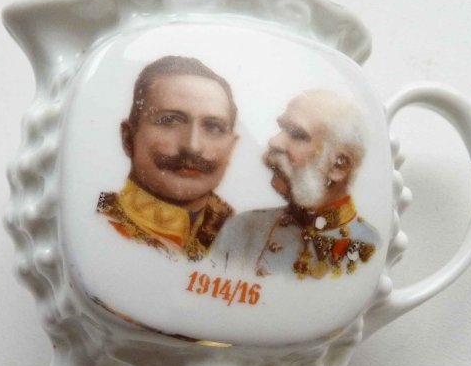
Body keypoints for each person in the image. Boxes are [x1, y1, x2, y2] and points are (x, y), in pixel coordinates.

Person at [212, 88, 379, 278]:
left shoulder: (371, 248)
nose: (274, 141)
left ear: (339, 165)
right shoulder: (240, 230)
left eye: (297, 135)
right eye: (281, 129)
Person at [97, 55, 239, 261]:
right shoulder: (98, 221)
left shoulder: (248, 240)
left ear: (232, 147)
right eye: (169, 120)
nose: (192, 146)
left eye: (213, 127)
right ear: (128, 138)